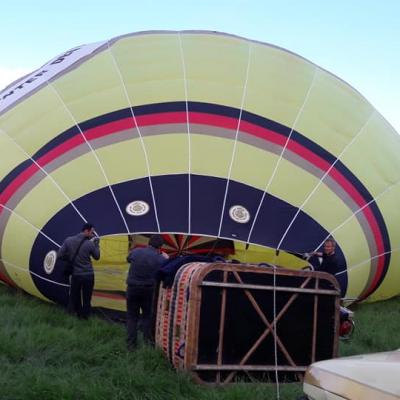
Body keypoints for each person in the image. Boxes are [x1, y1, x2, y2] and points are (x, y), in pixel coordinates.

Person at [126, 234, 168, 349]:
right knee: (147, 317)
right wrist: (165, 257)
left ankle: (131, 346)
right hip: (148, 290)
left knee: (131, 317)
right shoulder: (161, 259)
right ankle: (147, 344)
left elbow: (128, 259)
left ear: (149, 242)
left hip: (132, 287)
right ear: (160, 247)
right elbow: (165, 269)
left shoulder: (137, 251)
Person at [57, 223, 100, 319]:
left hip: (76, 274)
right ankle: (84, 317)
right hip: (88, 275)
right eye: (92, 232)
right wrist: (97, 245)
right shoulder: (90, 244)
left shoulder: (68, 240)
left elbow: (59, 255)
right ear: (86, 231)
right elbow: (97, 257)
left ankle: (72, 315)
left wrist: (70, 258)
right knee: (87, 298)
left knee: (74, 296)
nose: (93, 235)